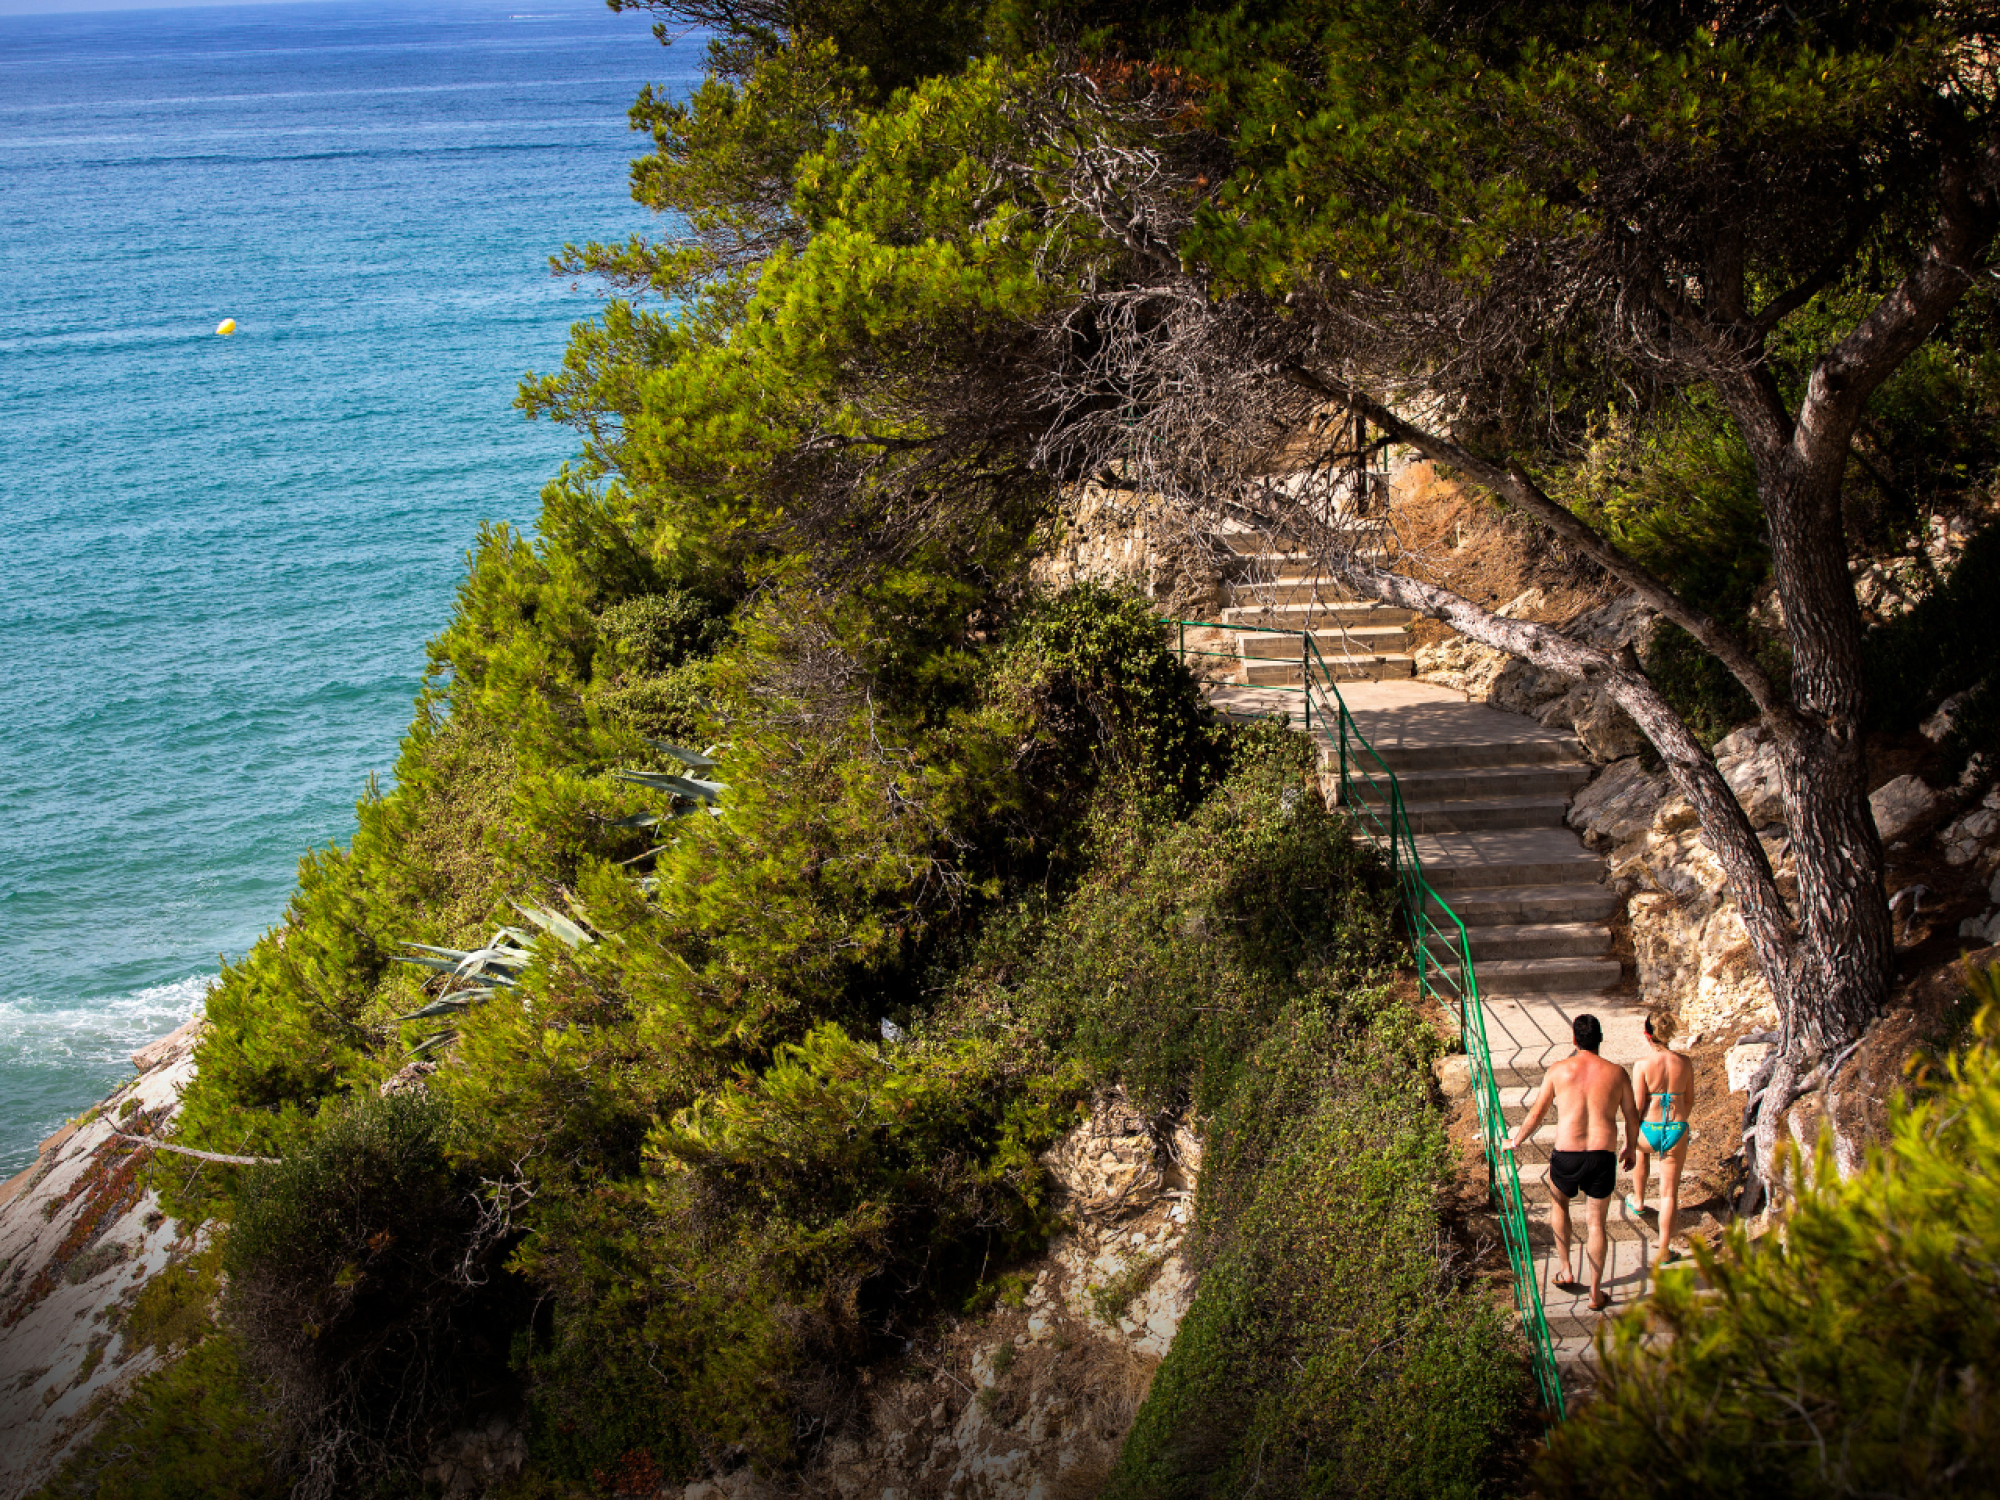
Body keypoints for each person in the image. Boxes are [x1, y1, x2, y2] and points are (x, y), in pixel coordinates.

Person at [1505, 1013, 1640, 1312]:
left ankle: (1565, 1269)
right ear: (1601, 1038)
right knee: (1596, 1224)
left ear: (1574, 1039)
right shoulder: (1617, 1073)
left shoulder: (1558, 1071)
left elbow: (1537, 1114)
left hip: (1566, 1154)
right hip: (1602, 1155)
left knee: (1559, 1206)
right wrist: (1630, 1147)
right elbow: (1632, 1116)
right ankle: (1595, 1293)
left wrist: (1515, 1141)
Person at [1625, 1007, 1695, 1275]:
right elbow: (1689, 1100)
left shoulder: (1642, 1065)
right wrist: (1678, 1122)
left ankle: (1639, 1199)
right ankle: (1664, 1249)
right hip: (1676, 1127)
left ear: (1647, 1035)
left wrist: (1632, 1136)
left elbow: (1639, 1105)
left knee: (1642, 1152)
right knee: (1669, 1193)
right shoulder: (1684, 1063)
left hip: (1649, 1129)